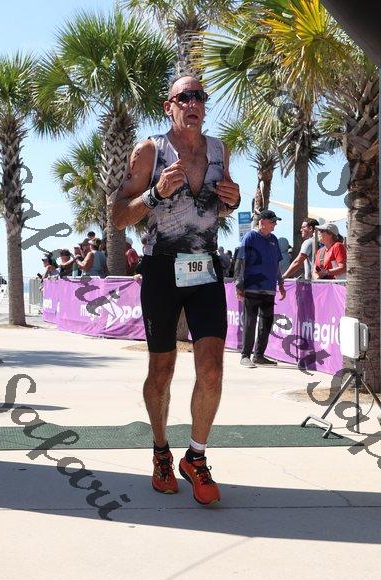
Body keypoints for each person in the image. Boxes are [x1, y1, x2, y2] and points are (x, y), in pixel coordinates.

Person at [110, 74, 240, 505]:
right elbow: (117, 215)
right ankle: (161, 451)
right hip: (162, 268)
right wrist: (155, 193)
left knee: (213, 369)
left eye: (200, 96)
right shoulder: (151, 150)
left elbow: (221, 205)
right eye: (184, 97)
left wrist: (233, 200)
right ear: (169, 106)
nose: (193, 103)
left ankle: (196, 457)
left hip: (205, 268)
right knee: (162, 370)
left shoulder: (219, 150)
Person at [234, 209, 286, 368]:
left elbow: (276, 264)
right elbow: (240, 261)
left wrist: (281, 283)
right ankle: (245, 356)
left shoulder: (274, 240)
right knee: (250, 323)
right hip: (252, 288)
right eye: (272, 222)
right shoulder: (250, 237)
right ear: (262, 222)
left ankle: (259, 356)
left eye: (275, 222)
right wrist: (239, 284)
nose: (275, 225)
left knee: (266, 323)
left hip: (269, 288)